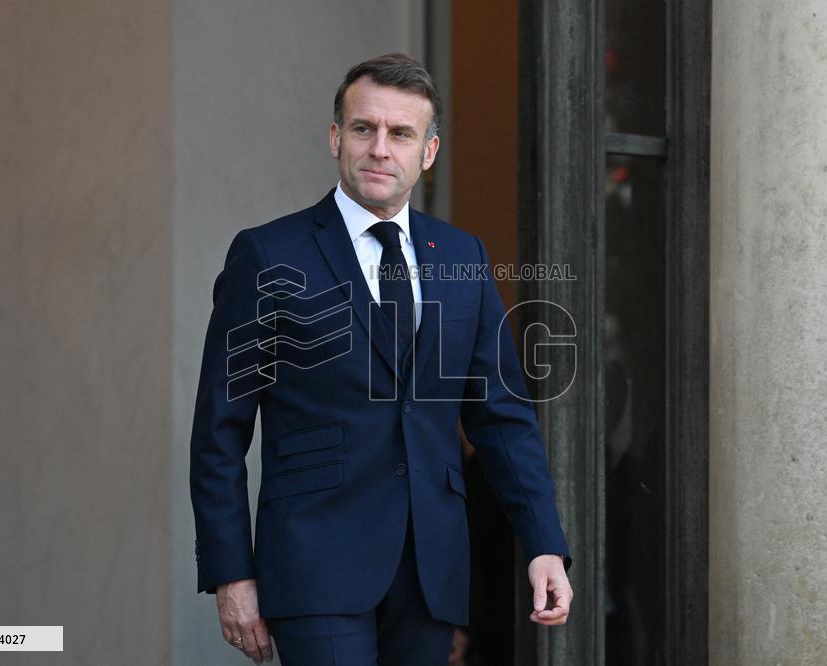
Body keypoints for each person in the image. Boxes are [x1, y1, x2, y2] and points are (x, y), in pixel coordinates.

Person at [189, 52, 573, 666]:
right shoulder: (266, 255)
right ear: (336, 137)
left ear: (428, 151)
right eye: (364, 129)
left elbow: (502, 417)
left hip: (431, 566)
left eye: (401, 134)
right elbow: (219, 429)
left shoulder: (463, 256)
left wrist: (543, 545)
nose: (379, 148)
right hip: (315, 560)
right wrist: (231, 571)